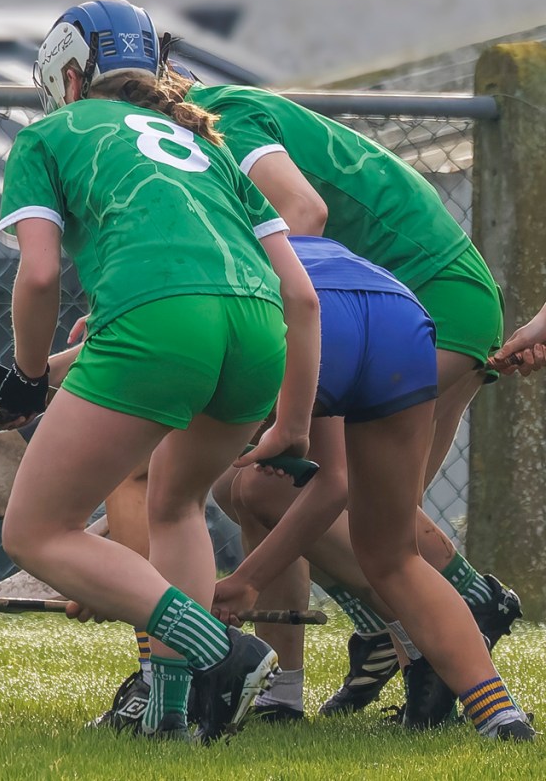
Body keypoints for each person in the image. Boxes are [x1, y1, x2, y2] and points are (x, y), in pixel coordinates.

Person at [99, 68, 520, 723]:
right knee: (261, 491)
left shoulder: (219, 119)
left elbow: (303, 215)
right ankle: (288, 687)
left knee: (306, 500)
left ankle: (451, 607)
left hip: (408, 303)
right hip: (390, 305)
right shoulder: (196, 134)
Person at [0, 0, 323, 742]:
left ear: (68, 77)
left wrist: (27, 374)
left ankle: (222, 654)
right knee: (176, 506)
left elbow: (39, 276)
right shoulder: (207, 143)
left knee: (37, 532)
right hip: (259, 334)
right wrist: (294, 421)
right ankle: (170, 713)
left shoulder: (48, 134)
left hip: (161, 325)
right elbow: (301, 295)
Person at [207, 235, 533, 740]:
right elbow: (332, 483)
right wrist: (247, 579)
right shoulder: (241, 228)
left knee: (204, 493)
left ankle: (166, 691)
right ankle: (500, 717)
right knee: (392, 555)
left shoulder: (174, 284)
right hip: (396, 311)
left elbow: (160, 493)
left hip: (300, 320)